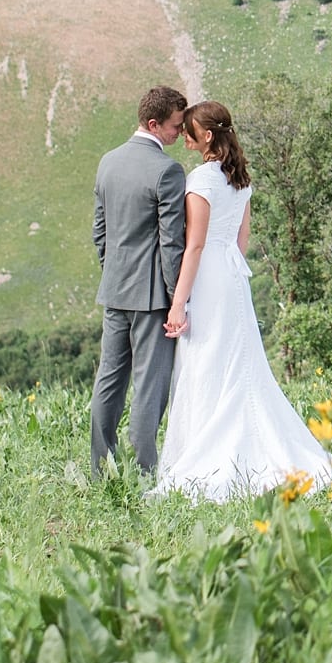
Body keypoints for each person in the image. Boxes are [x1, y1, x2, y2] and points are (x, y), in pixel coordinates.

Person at [150, 99, 332, 500]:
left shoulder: (200, 180)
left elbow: (194, 247)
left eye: (190, 130)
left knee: (206, 361)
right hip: (233, 276)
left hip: (209, 275)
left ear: (207, 136)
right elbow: (242, 242)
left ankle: (206, 451)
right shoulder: (239, 179)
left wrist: (178, 303)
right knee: (238, 360)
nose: (183, 134)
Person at [88, 85, 189, 477]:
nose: (179, 134)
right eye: (175, 127)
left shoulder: (107, 162)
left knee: (109, 379)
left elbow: (100, 232)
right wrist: (176, 298)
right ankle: (145, 471)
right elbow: (171, 243)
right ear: (154, 124)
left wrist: (113, 271)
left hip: (114, 290)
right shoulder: (167, 170)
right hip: (152, 297)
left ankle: (102, 468)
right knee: (150, 386)